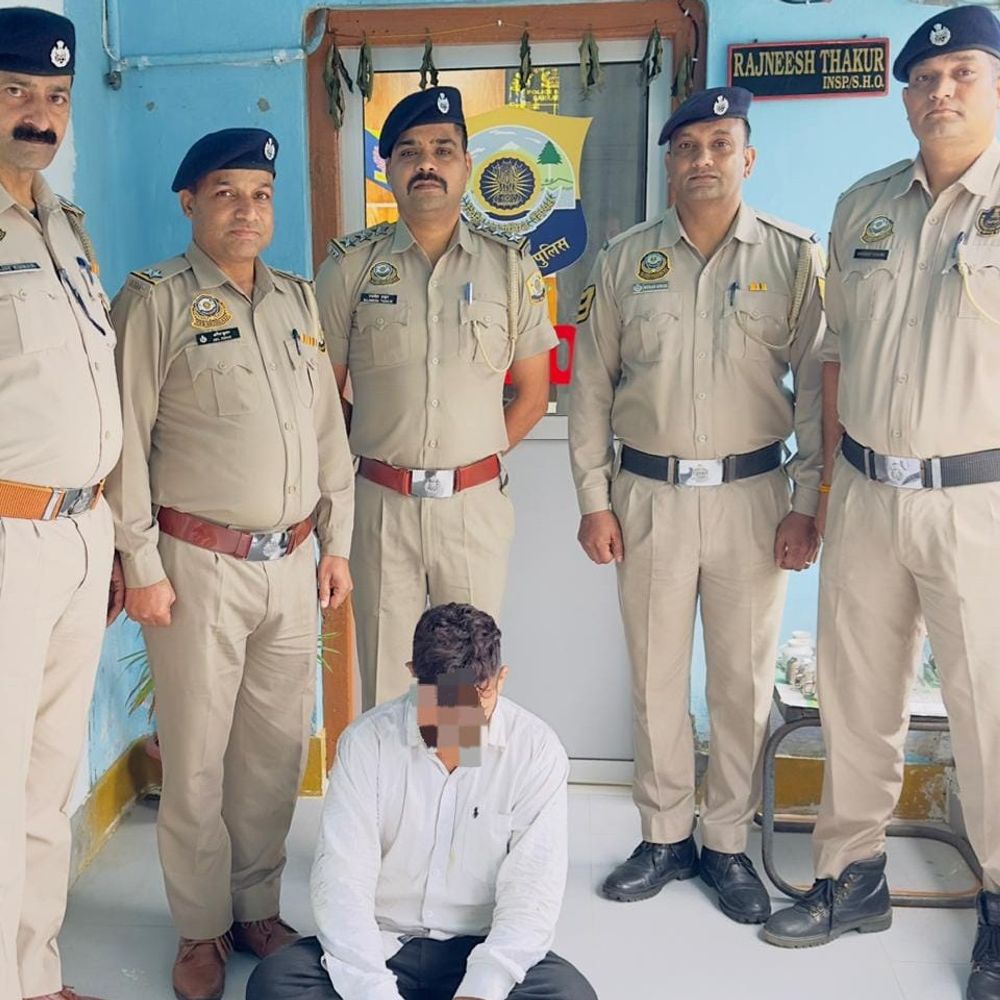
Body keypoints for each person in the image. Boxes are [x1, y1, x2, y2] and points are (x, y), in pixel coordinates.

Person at [763, 8, 1000, 997]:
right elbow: (831, 361)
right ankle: (849, 875)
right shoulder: (861, 206)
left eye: (962, 73)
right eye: (924, 79)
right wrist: (819, 490)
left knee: (990, 711)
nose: (940, 91)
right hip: (863, 488)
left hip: (976, 502)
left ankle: (999, 906)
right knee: (854, 696)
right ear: (903, 98)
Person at [105, 128, 354, 1000]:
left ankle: (257, 908)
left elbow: (327, 435)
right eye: (226, 194)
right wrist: (141, 562)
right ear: (190, 203)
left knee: (274, 754)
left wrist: (336, 543)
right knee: (199, 758)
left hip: (292, 563)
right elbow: (125, 440)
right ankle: (200, 927)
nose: (247, 211)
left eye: (260, 194)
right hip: (196, 566)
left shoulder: (296, 300)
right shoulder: (155, 301)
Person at [569, 87, 824, 924]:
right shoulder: (624, 260)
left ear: (747, 157)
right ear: (668, 162)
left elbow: (818, 391)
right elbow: (591, 389)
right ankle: (664, 834)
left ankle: (724, 842)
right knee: (654, 676)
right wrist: (594, 498)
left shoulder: (793, 257)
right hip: (649, 497)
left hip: (756, 498)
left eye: (720, 144)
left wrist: (809, 502)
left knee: (741, 683)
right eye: (687, 147)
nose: (703, 159)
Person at [314, 86, 557, 709]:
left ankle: (452, 775)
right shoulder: (350, 268)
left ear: (467, 165)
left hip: (471, 508)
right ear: (389, 168)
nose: (427, 163)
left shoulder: (510, 269)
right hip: (380, 505)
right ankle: (395, 779)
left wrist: (470, 459)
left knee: (459, 686)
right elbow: (323, 394)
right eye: (410, 151)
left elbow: (533, 395)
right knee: (386, 682)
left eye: (443, 150)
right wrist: (365, 454)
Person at [246, 602, 597, 1000]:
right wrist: (374, 991)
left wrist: (482, 988)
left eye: (477, 700)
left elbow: (532, 893)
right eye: (443, 704)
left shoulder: (536, 750)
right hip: (384, 943)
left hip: (480, 946)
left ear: (501, 678)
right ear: (414, 674)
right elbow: (342, 885)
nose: (459, 722)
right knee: (275, 983)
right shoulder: (367, 742)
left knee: (570, 995)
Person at [0, 9, 123, 1000]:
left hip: (82, 533)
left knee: (48, 777)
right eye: (15, 92)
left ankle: (33, 971)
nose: (39, 114)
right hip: (10, 538)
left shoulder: (65, 229)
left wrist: (109, 540)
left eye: (55, 96)